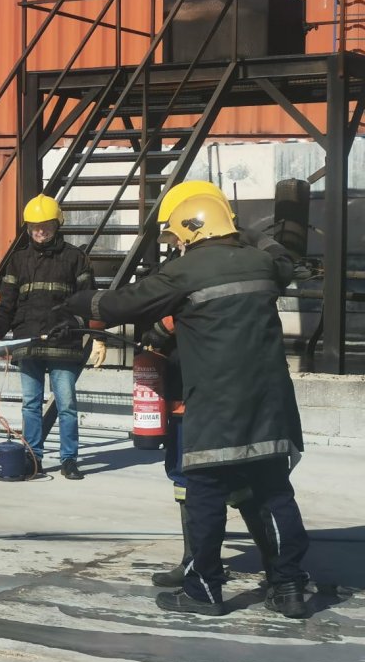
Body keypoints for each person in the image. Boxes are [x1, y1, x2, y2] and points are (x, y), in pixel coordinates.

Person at [65, 189, 309, 618]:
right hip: (271, 403)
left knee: (205, 498)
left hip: (216, 405)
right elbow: (286, 260)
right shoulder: (262, 262)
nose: (177, 244)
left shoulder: (185, 270)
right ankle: (288, 587)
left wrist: (73, 304)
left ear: (193, 229)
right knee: (273, 492)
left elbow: (118, 304)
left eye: (178, 236)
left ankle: (205, 591)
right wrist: (253, 233)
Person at [144, 181, 294, 589]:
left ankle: (216, 573)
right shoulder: (181, 266)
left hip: (210, 397)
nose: (173, 243)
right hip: (185, 389)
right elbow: (155, 315)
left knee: (225, 488)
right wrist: (160, 328)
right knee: (190, 482)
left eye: (175, 234)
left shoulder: (216, 264)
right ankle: (198, 560)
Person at [0, 194, 103, 480]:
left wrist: (98, 337)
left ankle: (69, 459)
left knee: (66, 405)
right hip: (27, 343)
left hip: (64, 343)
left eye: (45, 226)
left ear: (57, 225)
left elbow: (89, 300)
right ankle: (35, 458)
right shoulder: (18, 261)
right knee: (30, 404)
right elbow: (6, 305)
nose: (39, 231)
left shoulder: (75, 259)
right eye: (34, 226)